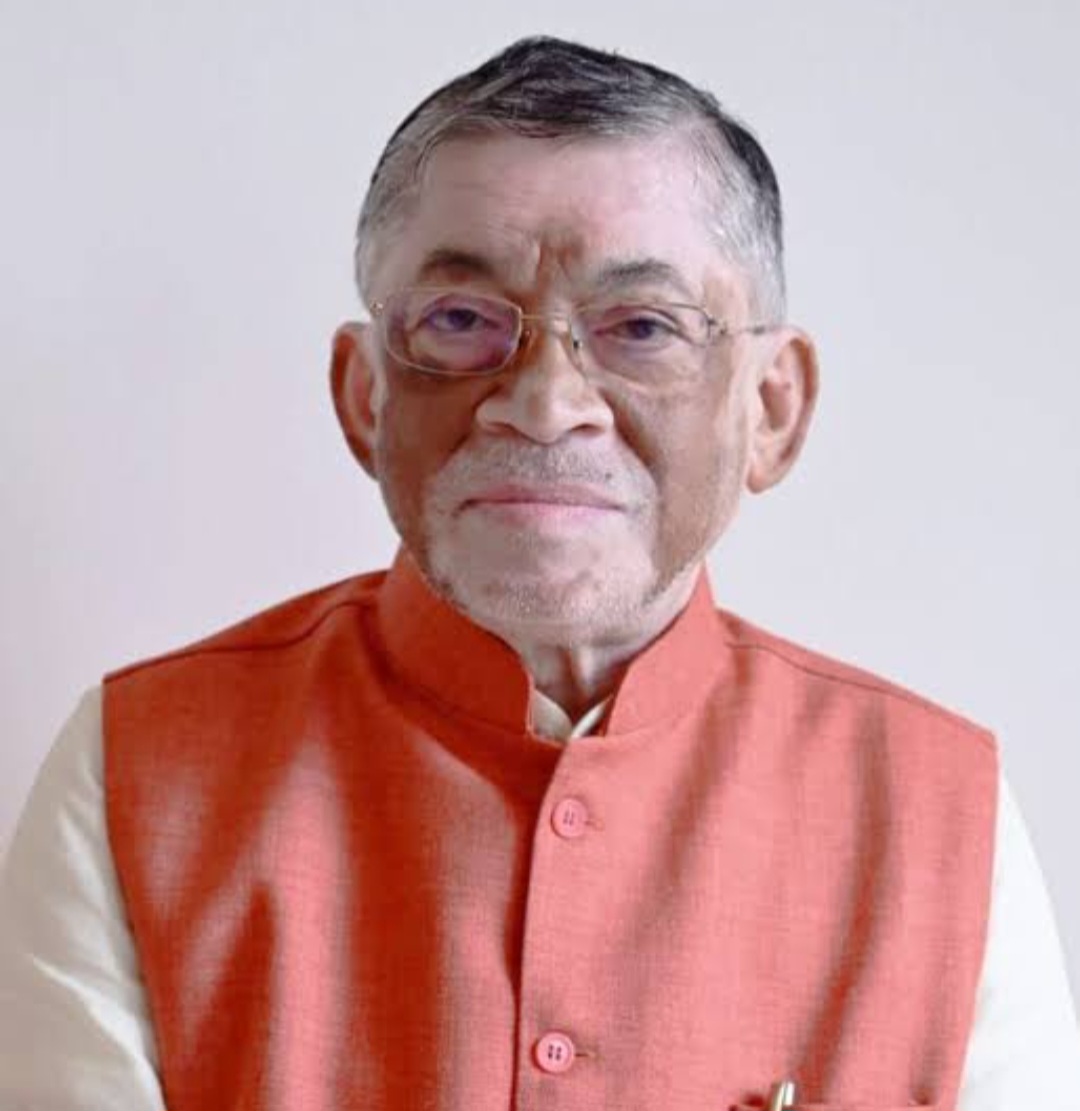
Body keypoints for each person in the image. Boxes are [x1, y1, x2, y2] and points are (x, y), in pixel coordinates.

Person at [0, 34, 1077, 1111]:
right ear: (366, 397)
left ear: (770, 408)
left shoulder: (941, 817)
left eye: (642, 326)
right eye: (462, 321)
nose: (546, 403)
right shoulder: (138, 770)